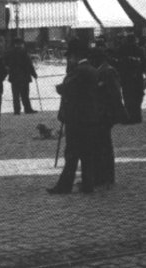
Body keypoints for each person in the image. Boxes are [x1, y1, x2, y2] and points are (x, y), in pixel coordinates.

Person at [47, 38, 99, 195]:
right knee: (87, 153)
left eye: (70, 56)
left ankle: (64, 186)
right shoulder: (91, 69)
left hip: (76, 118)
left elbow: (69, 88)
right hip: (88, 117)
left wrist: (60, 88)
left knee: (72, 154)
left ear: (76, 56)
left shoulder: (79, 71)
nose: (69, 59)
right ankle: (88, 185)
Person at [92, 46, 127, 188]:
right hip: (102, 113)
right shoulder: (103, 70)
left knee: (104, 146)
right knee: (102, 145)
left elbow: (114, 94)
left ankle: (106, 176)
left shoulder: (107, 71)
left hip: (105, 114)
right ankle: (102, 175)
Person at [4, 38, 38, 115]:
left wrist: (6, 73)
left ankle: (16, 110)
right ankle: (27, 108)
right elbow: (29, 65)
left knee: (15, 95)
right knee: (25, 94)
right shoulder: (24, 52)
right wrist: (34, 74)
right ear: (21, 44)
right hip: (24, 76)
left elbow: (5, 64)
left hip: (14, 77)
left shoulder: (9, 53)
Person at [117, 34, 144, 124]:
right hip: (137, 77)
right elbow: (145, 63)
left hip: (126, 77)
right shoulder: (140, 49)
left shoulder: (121, 49)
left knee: (128, 97)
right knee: (138, 97)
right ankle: (137, 116)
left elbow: (117, 63)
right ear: (135, 40)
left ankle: (129, 116)